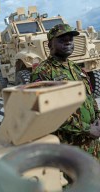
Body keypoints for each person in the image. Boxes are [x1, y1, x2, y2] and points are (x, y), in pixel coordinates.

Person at [31, 23, 100, 159]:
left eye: (70, 39)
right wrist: (87, 129)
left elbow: (90, 98)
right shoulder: (42, 72)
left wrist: (98, 117)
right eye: (62, 40)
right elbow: (47, 111)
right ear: (50, 45)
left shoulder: (76, 69)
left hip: (92, 143)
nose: (68, 42)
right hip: (70, 147)